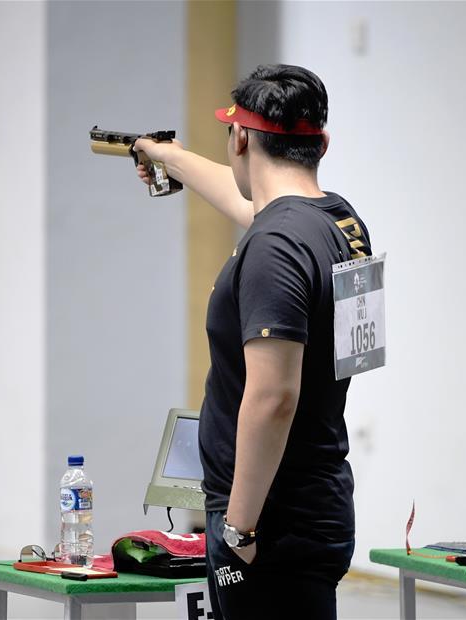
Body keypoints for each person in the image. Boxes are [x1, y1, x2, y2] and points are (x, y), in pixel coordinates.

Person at [133, 64, 372, 620]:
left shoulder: (275, 246)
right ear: (322, 144)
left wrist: (239, 525)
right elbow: (256, 207)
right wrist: (167, 155)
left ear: (240, 137)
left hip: (269, 522)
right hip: (314, 501)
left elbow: (273, 398)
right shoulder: (335, 222)